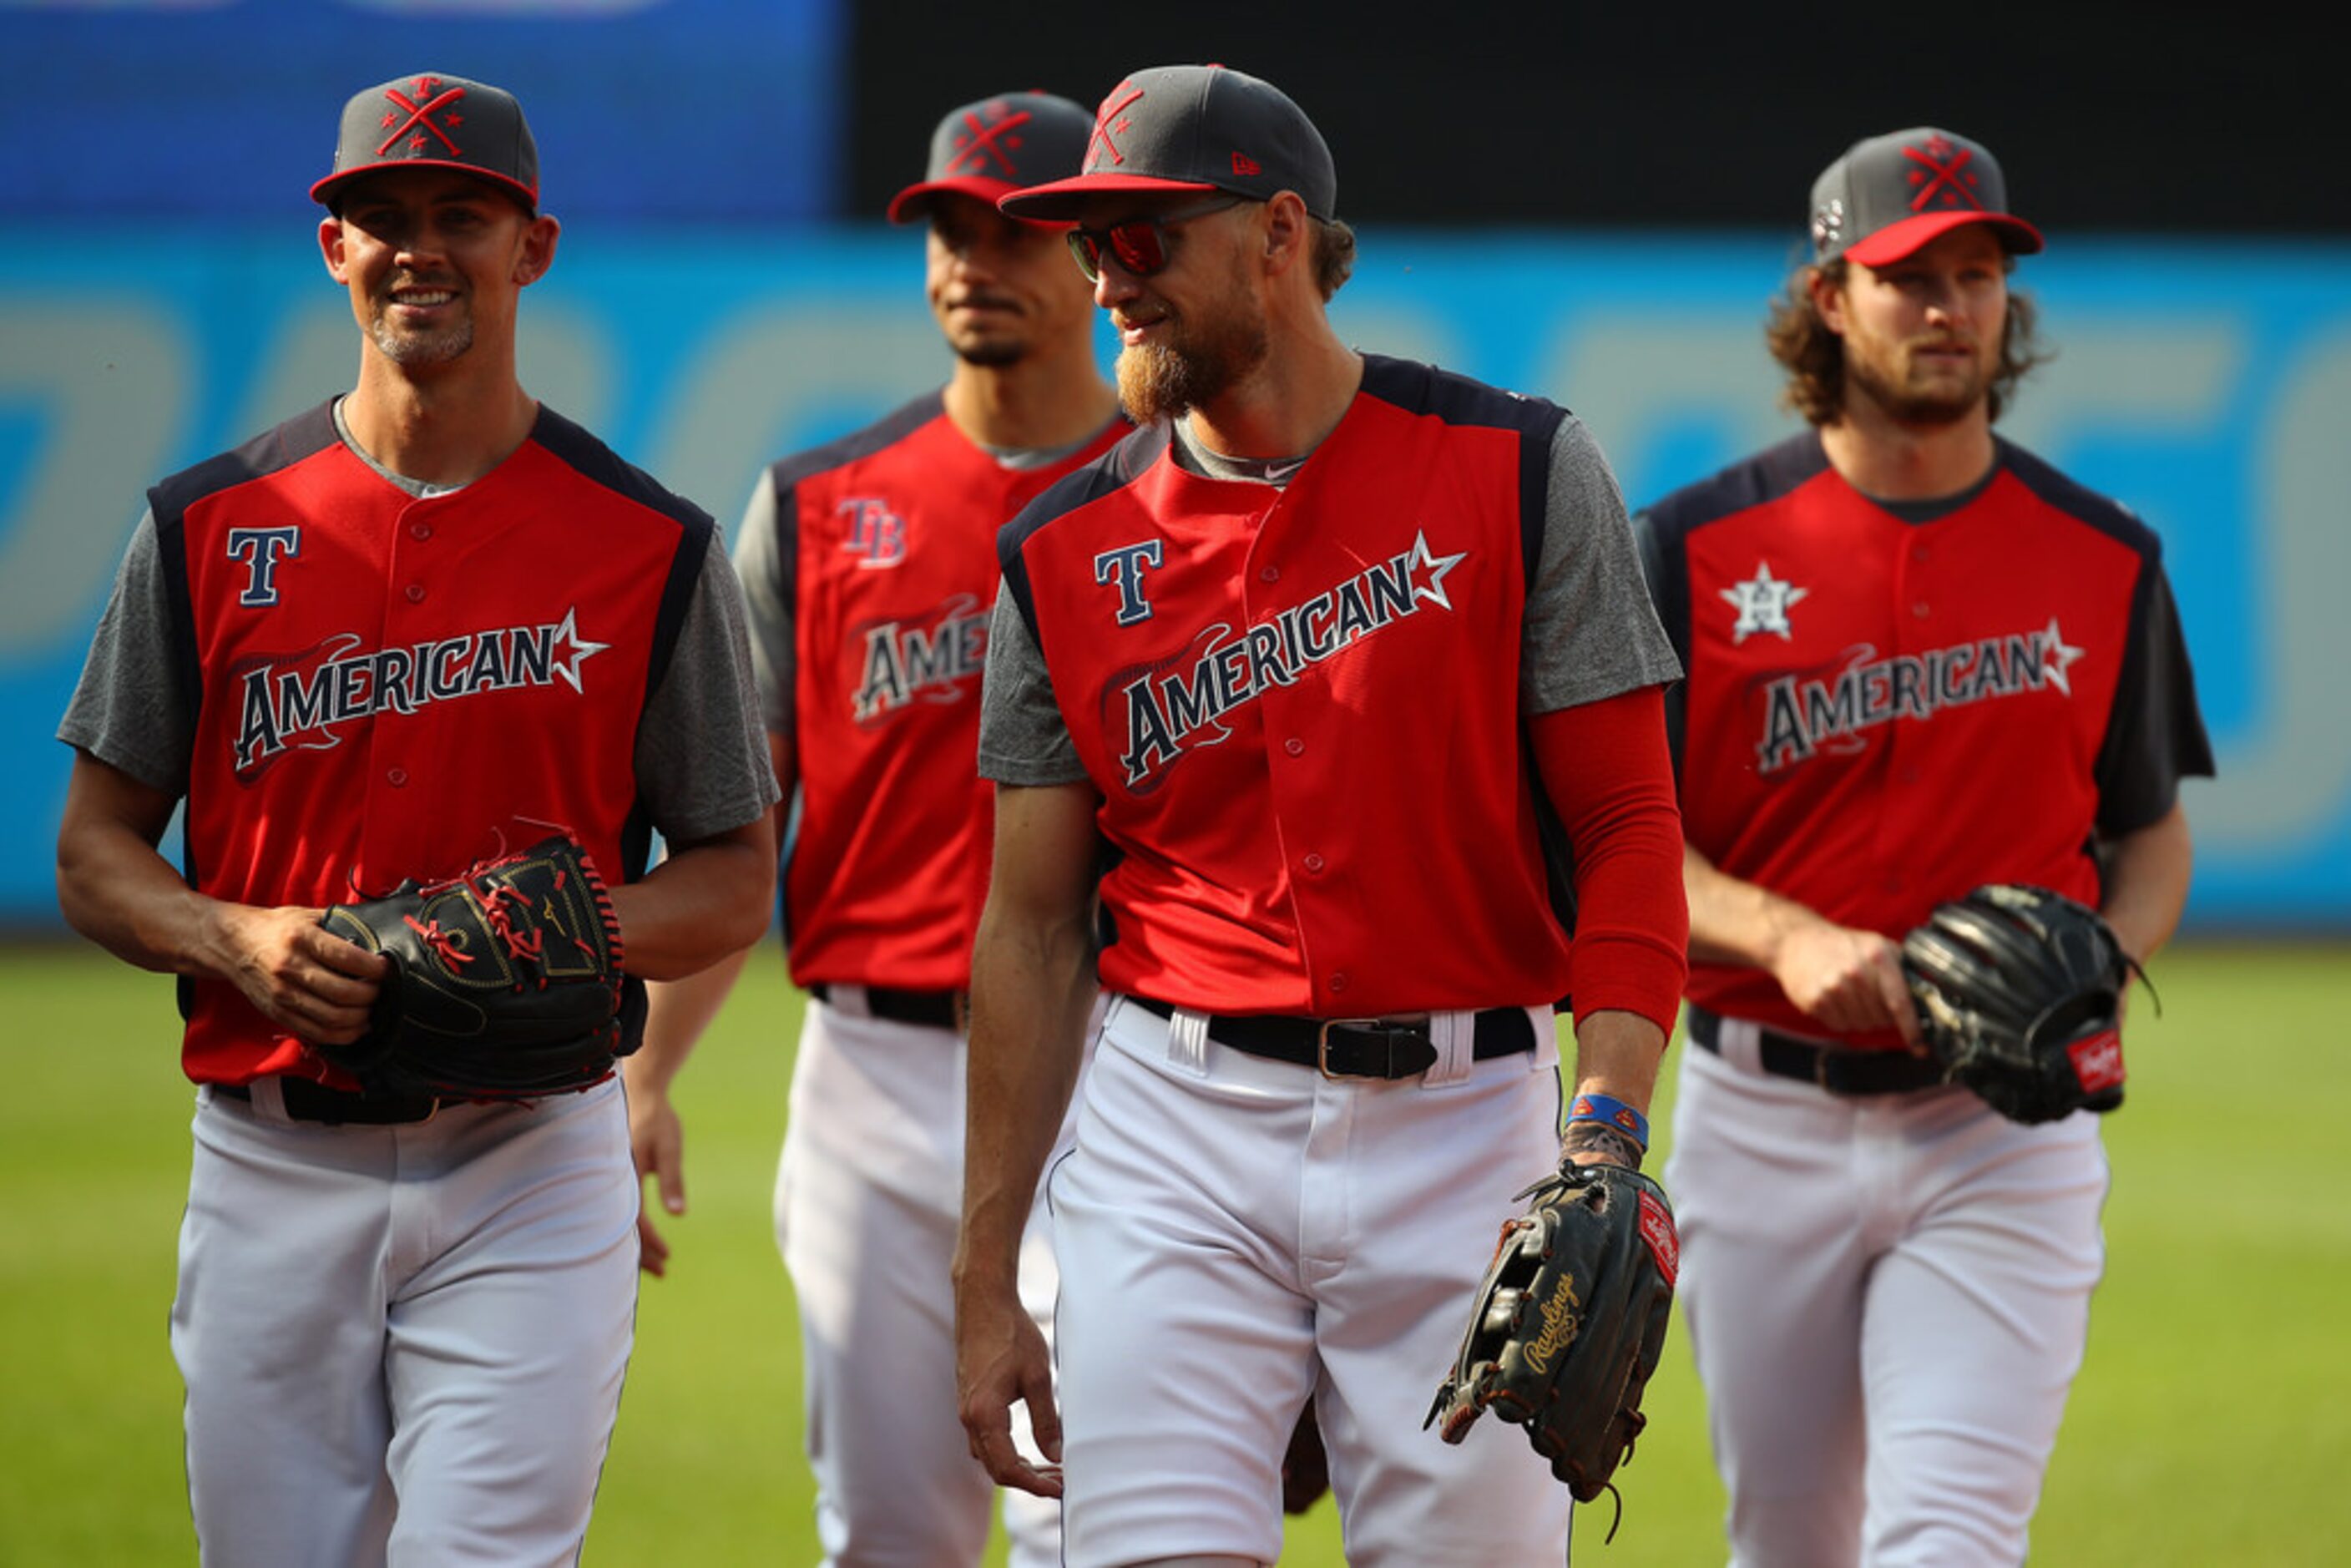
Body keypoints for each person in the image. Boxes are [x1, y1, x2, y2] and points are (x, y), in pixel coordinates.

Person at [953, 63, 1691, 1567]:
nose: (1108, 278)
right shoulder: (1061, 551)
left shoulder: (1521, 467)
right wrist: (984, 1276)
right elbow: (1031, 929)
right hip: (1171, 1132)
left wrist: (1606, 1127)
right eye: (1091, 243)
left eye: (1145, 236)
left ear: (1278, 231)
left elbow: (1625, 824)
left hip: (1469, 1134)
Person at [52, 72, 778, 1565]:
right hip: (270, 1160)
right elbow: (93, 848)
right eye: (380, 218)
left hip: (530, 1158)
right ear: (334, 251)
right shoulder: (208, 523)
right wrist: (231, 935)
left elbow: (732, 874)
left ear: (536, 246)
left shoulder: (650, 545)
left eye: (463, 214)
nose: (418, 248)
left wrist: (539, 938)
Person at [1631, 127, 2212, 1566]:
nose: (1952, 305)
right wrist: (1785, 935)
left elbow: (2150, 837)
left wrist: (2102, 955)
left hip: (1998, 1131)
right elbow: (1628, 843)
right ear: (1832, 297)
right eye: (1911, 276)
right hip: (1757, 1117)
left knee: (1948, 1534)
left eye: (1978, 272)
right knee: (1790, 1542)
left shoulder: (2105, 553)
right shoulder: (1693, 549)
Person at [622, 90, 1125, 1566]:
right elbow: (742, 828)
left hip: (1116, 1068)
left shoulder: (1175, 492)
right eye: (951, 228)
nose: (977, 258)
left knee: (1107, 1522)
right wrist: (648, 1071)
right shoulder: (820, 504)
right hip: (873, 1074)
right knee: (890, 1530)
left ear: (1097, 253)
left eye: (1020, 227)